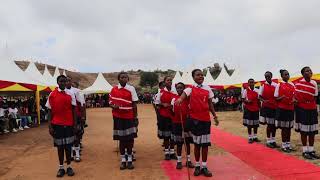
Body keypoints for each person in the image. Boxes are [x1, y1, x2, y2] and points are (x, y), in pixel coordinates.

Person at [175, 69, 218, 177]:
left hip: (206, 120)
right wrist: (179, 100)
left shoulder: (208, 89)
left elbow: (210, 104)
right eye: (198, 75)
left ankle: (204, 166)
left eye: (202, 75)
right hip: (194, 121)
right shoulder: (189, 89)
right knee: (198, 144)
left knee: (205, 145)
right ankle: (198, 166)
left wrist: (215, 116)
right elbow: (182, 97)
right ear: (193, 77)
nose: (201, 76)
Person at [46, 75, 77, 177]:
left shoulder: (71, 94)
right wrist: (50, 126)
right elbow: (49, 111)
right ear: (58, 82)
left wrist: (75, 124)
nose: (63, 83)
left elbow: (73, 110)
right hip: (57, 125)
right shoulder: (52, 94)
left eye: (64, 81)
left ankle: (69, 167)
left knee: (68, 147)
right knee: (60, 147)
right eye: (61, 81)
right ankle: (61, 168)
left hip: (69, 124)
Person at [109, 72, 138, 170]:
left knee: (130, 139)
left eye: (126, 77)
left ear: (128, 79)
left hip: (129, 117)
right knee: (121, 139)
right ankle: (123, 161)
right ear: (119, 79)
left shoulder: (131, 89)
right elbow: (110, 102)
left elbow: (134, 104)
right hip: (118, 117)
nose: (124, 78)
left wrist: (135, 118)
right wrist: (114, 106)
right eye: (122, 77)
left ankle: (129, 160)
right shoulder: (114, 89)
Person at [295, 67, 319, 159]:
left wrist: (313, 107)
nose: (309, 72)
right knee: (304, 131)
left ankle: (311, 150)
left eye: (310, 70)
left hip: (312, 109)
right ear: (303, 74)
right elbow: (296, 98)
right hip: (302, 109)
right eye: (307, 71)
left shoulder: (314, 83)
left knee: (312, 131)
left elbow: (315, 96)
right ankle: (305, 151)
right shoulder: (298, 84)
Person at [171, 82, 194, 170]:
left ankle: (188, 160)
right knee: (179, 143)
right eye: (178, 88)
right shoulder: (173, 99)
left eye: (181, 88)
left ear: (184, 89)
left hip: (186, 123)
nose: (179, 89)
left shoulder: (188, 98)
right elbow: (172, 112)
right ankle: (179, 161)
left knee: (187, 142)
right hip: (177, 123)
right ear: (176, 89)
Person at [156, 76, 177, 160]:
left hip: (173, 116)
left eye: (170, 80)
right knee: (166, 135)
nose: (169, 81)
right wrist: (162, 105)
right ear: (164, 82)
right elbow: (157, 105)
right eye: (168, 80)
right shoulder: (160, 93)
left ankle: (172, 152)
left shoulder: (175, 92)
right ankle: (166, 153)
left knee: (173, 135)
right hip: (164, 117)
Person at [274, 70, 295, 153]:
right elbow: (276, 98)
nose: (287, 76)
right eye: (285, 74)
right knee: (284, 128)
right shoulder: (279, 84)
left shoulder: (292, 84)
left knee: (289, 128)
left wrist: (293, 100)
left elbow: (294, 95)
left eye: (288, 74)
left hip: (290, 108)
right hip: (282, 109)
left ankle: (288, 144)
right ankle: (284, 145)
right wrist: (282, 97)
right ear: (282, 76)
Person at [66, 78, 85, 162]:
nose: (67, 82)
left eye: (69, 81)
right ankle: (70, 155)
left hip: (76, 117)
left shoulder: (77, 91)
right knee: (68, 137)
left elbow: (82, 105)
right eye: (66, 81)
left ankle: (77, 155)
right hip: (66, 118)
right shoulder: (61, 91)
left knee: (76, 136)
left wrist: (83, 117)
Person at [259, 72, 278, 148]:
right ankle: (268, 141)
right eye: (266, 76)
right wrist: (264, 101)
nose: (267, 77)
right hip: (267, 107)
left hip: (275, 107)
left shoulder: (276, 85)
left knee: (274, 125)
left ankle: (273, 140)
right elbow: (259, 96)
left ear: (271, 76)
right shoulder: (263, 85)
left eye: (268, 76)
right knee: (269, 125)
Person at [242, 79, 260, 144]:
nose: (252, 83)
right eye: (250, 82)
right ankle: (250, 137)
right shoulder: (245, 90)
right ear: (248, 83)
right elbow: (243, 99)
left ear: (254, 83)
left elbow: (258, 100)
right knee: (249, 124)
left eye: (253, 82)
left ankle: (255, 137)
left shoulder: (257, 90)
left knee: (256, 124)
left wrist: (259, 107)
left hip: (256, 109)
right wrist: (247, 101)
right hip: (248, 109)